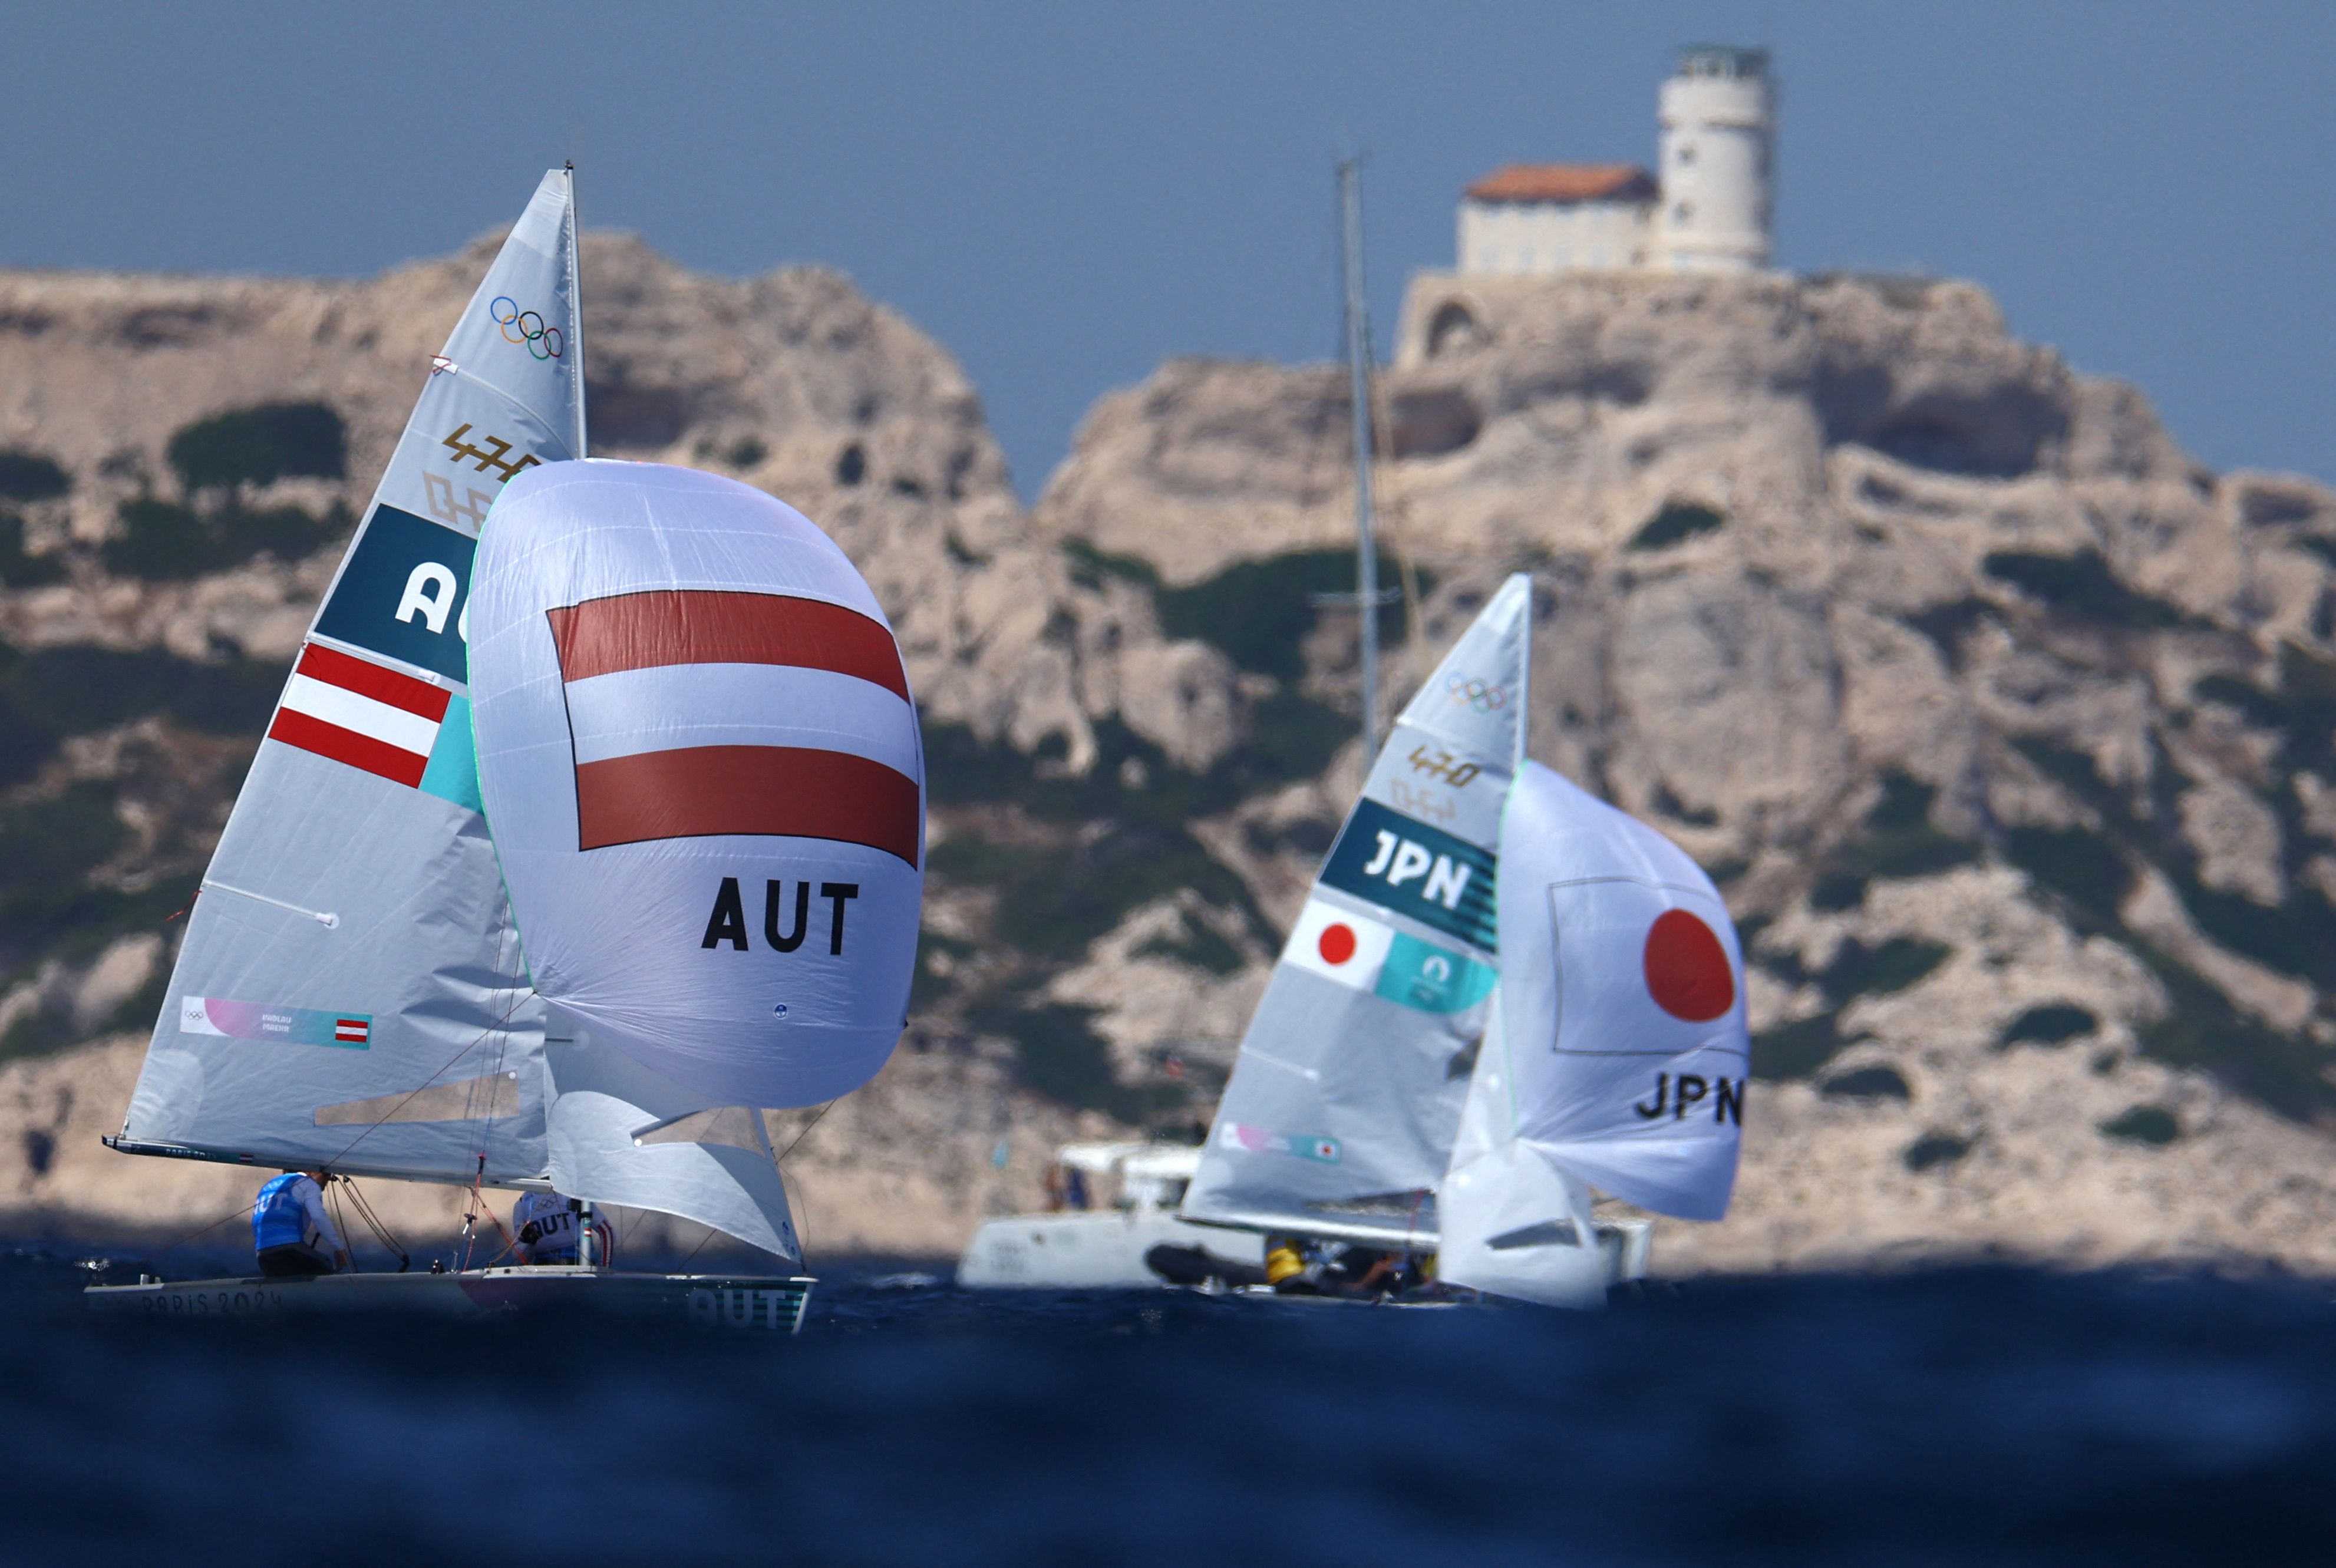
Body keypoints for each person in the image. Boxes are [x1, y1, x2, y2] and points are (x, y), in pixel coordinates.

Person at [252, 1169, 349, 1277]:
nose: (329, 1179)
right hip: (289, 1251)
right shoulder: (308, 1184)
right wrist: (339, 1249)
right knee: (329, 1271)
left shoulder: (268, 1186)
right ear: (309, 1170)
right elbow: (319, 1218)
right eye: (326, 1174)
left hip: (263, 1256)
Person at [512, 1190, 606, 1266]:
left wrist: (605, 1269)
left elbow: (606, 1231)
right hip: (544, 1273)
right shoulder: (523, 1204)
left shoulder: (574, 1195)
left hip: (581, 1269)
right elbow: (519, 1261)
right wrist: (528, 1242)